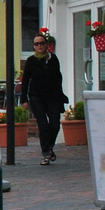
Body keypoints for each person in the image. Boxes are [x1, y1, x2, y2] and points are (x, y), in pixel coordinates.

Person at [21, 32, 67, 165]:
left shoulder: (53, 59)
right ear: (34, 47)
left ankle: (50, 147)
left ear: (46, 45)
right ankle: (46, 153)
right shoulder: (30, 61)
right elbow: (25, 81)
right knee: (43, 125)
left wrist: (61, 95)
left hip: (52, 96)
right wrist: (24, 99)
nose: (39, 46)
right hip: (36, 97)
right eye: (37, 44)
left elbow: (58, 78)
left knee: (55, 124)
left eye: (41, 43)